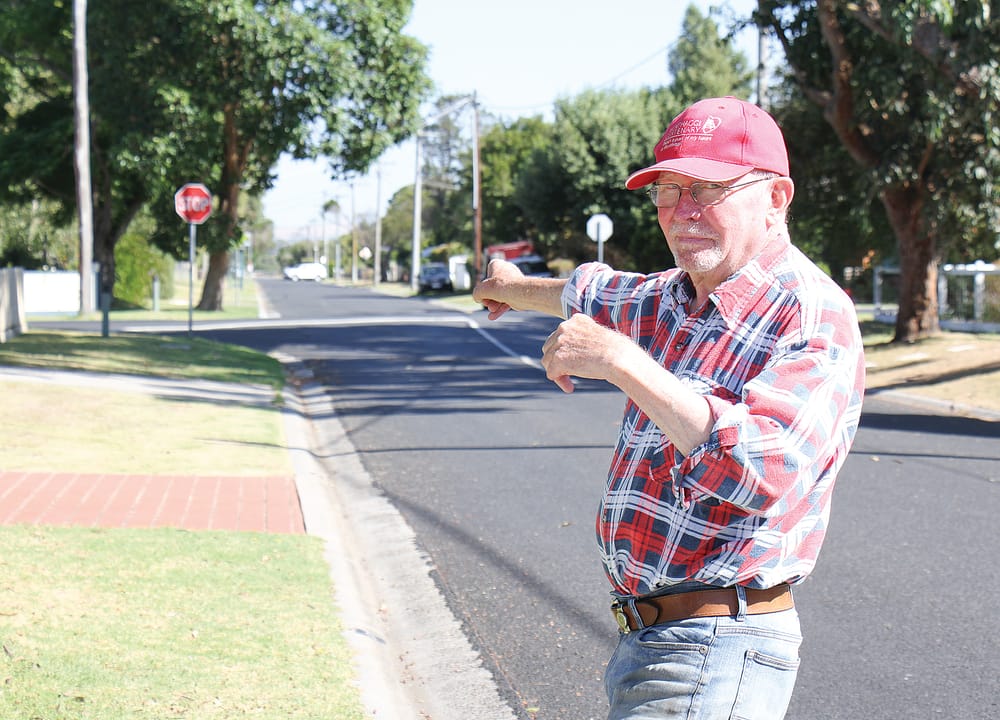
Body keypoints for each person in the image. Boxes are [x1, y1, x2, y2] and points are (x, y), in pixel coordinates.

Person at [473, 96, 865, 719]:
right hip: (654, 639)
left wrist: (624, 362)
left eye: (706, 189)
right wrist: (506, 286)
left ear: (776, 198)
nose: (682, 212)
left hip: (720, 645)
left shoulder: (812, 312)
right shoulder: (675, 298)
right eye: (667, 191)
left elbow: (764, 472)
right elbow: (590, 291)